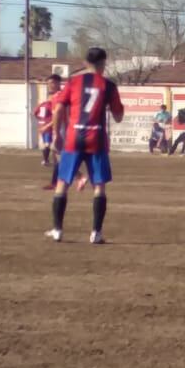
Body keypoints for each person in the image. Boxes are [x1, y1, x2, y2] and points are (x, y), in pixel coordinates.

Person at [43, 47, 123, 244]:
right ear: (104, 63)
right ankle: (96, 233)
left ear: (85, 62)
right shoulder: (109, 86)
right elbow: (119, 116)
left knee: (62, 183)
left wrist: (56, 133)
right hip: (96, 138)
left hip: (73, 136)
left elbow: (59, 107)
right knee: (99, 186)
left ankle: (57, 230)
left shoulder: (73, 82)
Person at [34, 75, 61, 165]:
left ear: (58, 83)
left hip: (59, 129)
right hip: (52, 129)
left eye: (52, 83)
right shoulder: (52, 99)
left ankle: (78, 177)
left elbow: (59, 116)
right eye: (48, 83)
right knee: (55, 154)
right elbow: (36, 113)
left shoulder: (59, 97)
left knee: (58, 154)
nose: (49, 85)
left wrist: (46, 126)